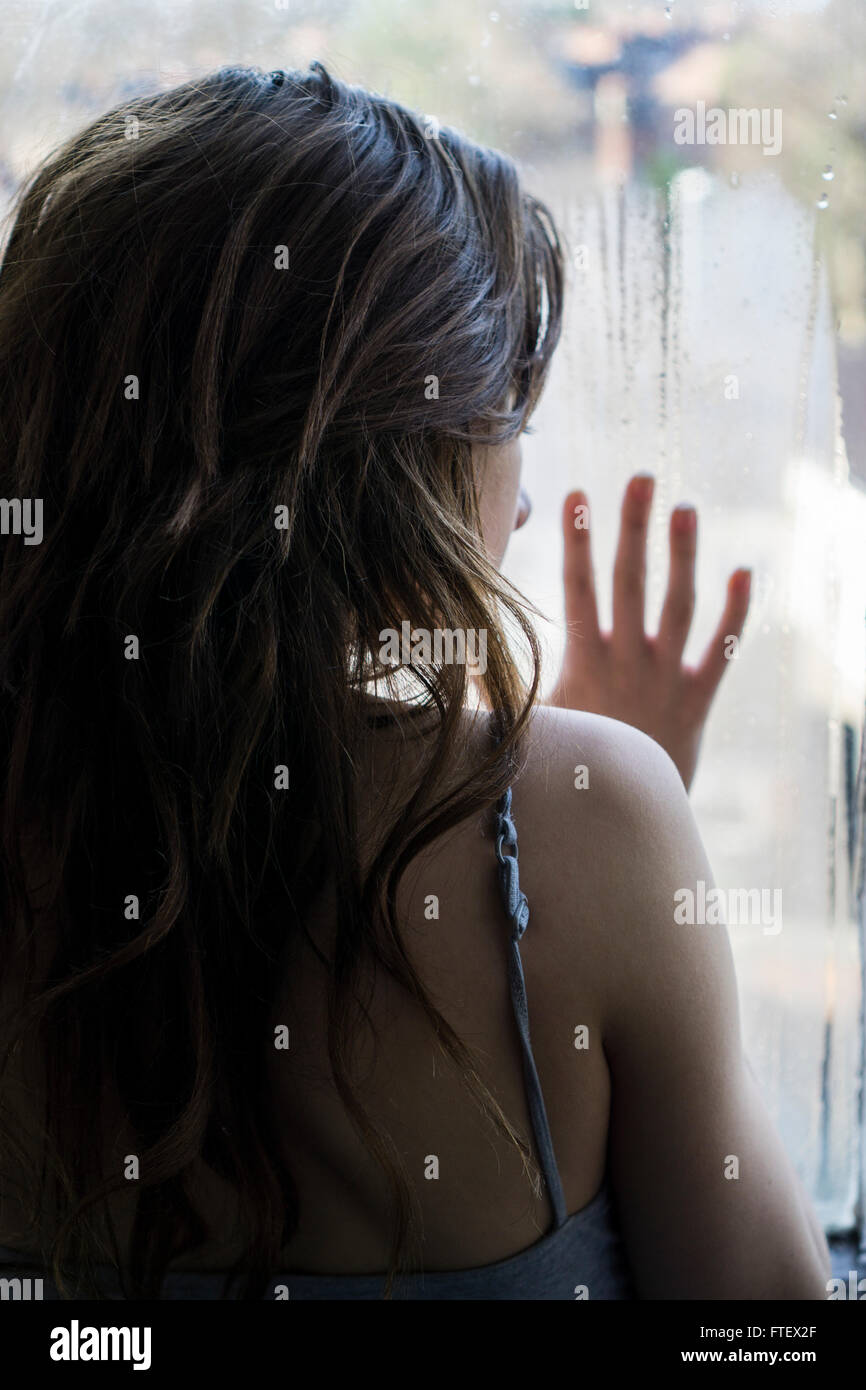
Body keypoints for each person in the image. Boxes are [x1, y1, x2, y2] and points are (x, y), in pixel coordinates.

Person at [0, 62, 831, 1300]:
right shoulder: (588, 821)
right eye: (506, 416)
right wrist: (589, 804)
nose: (530, 490)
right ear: (390, 472)